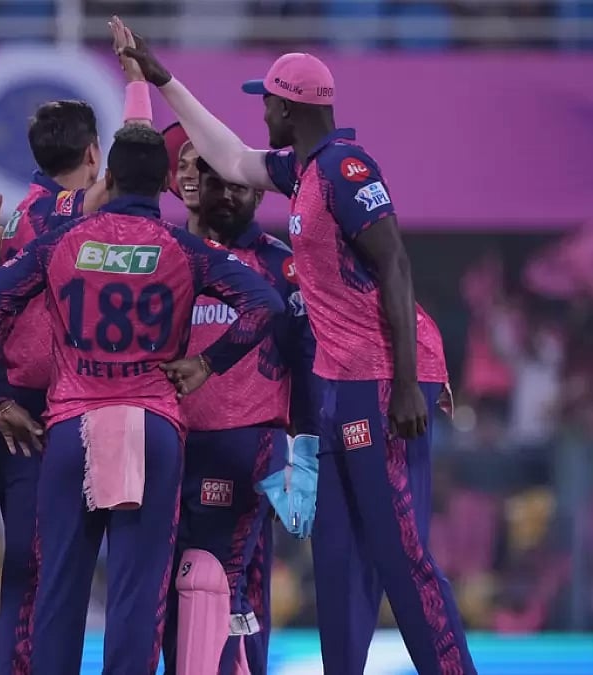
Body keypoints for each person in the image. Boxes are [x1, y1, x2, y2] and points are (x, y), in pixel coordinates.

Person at [122, 32, 477, 675]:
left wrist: (403, 383)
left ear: (290, 109)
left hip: (381, 375)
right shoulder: (302, 170)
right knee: (338, 560)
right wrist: (163, 78)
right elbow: (230, 156)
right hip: (342, 379)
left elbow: (394, 264)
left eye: (267, 105)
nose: (262, 116)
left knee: (398, 553)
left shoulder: (347, 168)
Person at [0, 125, 284, 675]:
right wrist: (207, 363)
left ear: (108, 178)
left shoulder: (61, 243)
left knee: (59, 588)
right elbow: (263, 303)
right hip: (153, 428)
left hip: (72, 428)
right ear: (166, 182)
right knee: (138, 595)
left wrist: (0, 401)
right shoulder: (187, 251)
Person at [0, 21, 156, 673]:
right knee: (40, 561)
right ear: (93, 152)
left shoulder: (20, 213)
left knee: (32, 560)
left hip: (14, 402)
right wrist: (136, 83)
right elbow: (138, 159)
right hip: (42, 410)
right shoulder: (75, 211)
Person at [163, 157, 318, 675]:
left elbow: (310, 362)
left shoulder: (282, 266)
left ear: (260, 195)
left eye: (240, 186)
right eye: (215, 183)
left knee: (213, 581)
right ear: (195, 187)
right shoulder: (173, 258)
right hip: (171, 444)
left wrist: (304, 456)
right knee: (191, 587)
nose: (228, 195)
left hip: (247, 445)